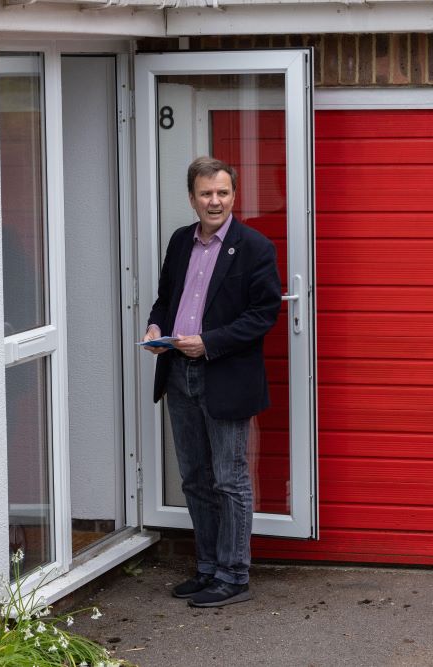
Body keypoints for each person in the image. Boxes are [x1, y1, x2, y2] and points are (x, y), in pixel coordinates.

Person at [142, 156, 282, 608]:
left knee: (230, 480)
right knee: (196, 480)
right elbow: (166, 298)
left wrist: (209, 342)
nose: (215, 201)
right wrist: (154, 328)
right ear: (192, 198)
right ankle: (206, 569)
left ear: (233, 195)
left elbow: (263, 315)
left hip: (225, 375)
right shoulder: (181, 241)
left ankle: (234, 575)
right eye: (206, 193)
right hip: (179, 373)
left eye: (222, 192)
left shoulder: (255, 247)